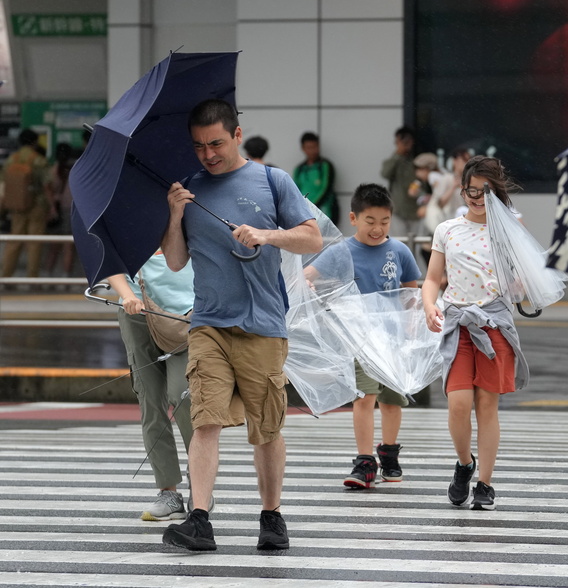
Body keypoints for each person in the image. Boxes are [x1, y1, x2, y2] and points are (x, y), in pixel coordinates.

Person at [160, 98, 322, 552]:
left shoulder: (272, 181)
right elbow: (174, 262)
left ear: (235, 135)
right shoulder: (188, 189)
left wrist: (267, 234)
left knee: (266, 427)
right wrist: (174, 215)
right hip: (208, 323)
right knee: (204, 421)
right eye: (198, 147)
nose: (207, 154)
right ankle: (200, 519)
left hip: (263, 325)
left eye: (215, 143)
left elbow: (313, 236)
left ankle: (271, 517)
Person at [421, 156, 529, 511]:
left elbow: (524, 278)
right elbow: (432, 279)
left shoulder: (510, 226)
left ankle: (485, 483)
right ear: (463, 188)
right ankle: (465, 464)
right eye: (471, 189)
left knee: (487, 406)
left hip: (495, 323)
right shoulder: (447, 229)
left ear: (496, 191)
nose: (477, 197)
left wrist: (521, 284)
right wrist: (429, 304)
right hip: (457, 324)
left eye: (486, 190)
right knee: (458, 404)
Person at [305, 183, 421, 489]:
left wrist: (410, 324)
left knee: (392, 401)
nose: (378, 229)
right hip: (359, 341)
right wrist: (309, 285)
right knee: (364, 397)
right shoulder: (341, 251)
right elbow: (308, 276)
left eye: (384, 222)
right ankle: (365, 460)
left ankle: (389, 452)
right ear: (354, 218)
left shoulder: (399, 251)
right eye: (370, 221)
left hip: (393, 341)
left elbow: (411, 286)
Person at [107, 249, 202, 521]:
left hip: (187, 314)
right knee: (150, 401)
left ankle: (200, 482)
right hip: (136, 309)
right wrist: (126, 294)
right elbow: (109, 258)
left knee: (183, 395)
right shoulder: (120, 212)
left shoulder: (192, 208)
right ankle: (168, 491)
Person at [1, 129, 50, 278]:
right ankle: (32, 278)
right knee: (34, 243)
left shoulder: (11, 160)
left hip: (16, 205)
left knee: (14, 241)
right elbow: (47, 184)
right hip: (37, 204)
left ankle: (5, 277)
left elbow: (4, 184)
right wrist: (51, 206)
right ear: (35, 142)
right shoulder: (39, 160)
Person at [380, 126, 420, 239]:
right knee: (399, 242)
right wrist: (398, 153)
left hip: (416, 210)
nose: (406, 143)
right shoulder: (394, 160)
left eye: (408, 140)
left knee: (415, 245)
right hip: (398, 209)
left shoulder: (417, 160)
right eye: (402, 140)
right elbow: (385, 173)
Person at [44, 142, 76, 278]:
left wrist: (52, 208)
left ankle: (47, 275)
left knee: (54, 247)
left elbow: (47, 189)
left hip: (56, 211)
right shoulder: (75, 170)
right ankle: (66, 276)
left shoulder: (53, 169)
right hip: (70, 210)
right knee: (68, 246)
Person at [292, 131, 339, 224]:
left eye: (314, 147)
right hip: (305, 214)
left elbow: (326, 188)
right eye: (309, 147)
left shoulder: (325, 166)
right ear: (303, 148)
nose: (312, 151)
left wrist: (313, 206)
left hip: (324, 212)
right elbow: (295, 190)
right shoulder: (300, 169)